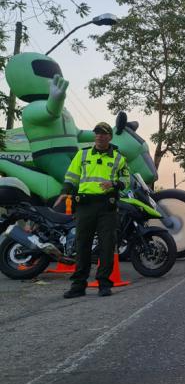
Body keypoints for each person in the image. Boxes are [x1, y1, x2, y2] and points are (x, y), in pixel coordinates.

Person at [55, 122, 130, 298]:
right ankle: (78, 285)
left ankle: (104, 284)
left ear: (110, 137)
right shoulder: (82, 154)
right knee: (82, 245)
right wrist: (65, 191)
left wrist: (114, 183)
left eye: (103, 133)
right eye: (97, 133)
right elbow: (71, 176)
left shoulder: (119, 158)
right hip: (85, 206)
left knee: (107, 246)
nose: (99, 136)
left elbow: (127, 181)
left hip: (107, 206)